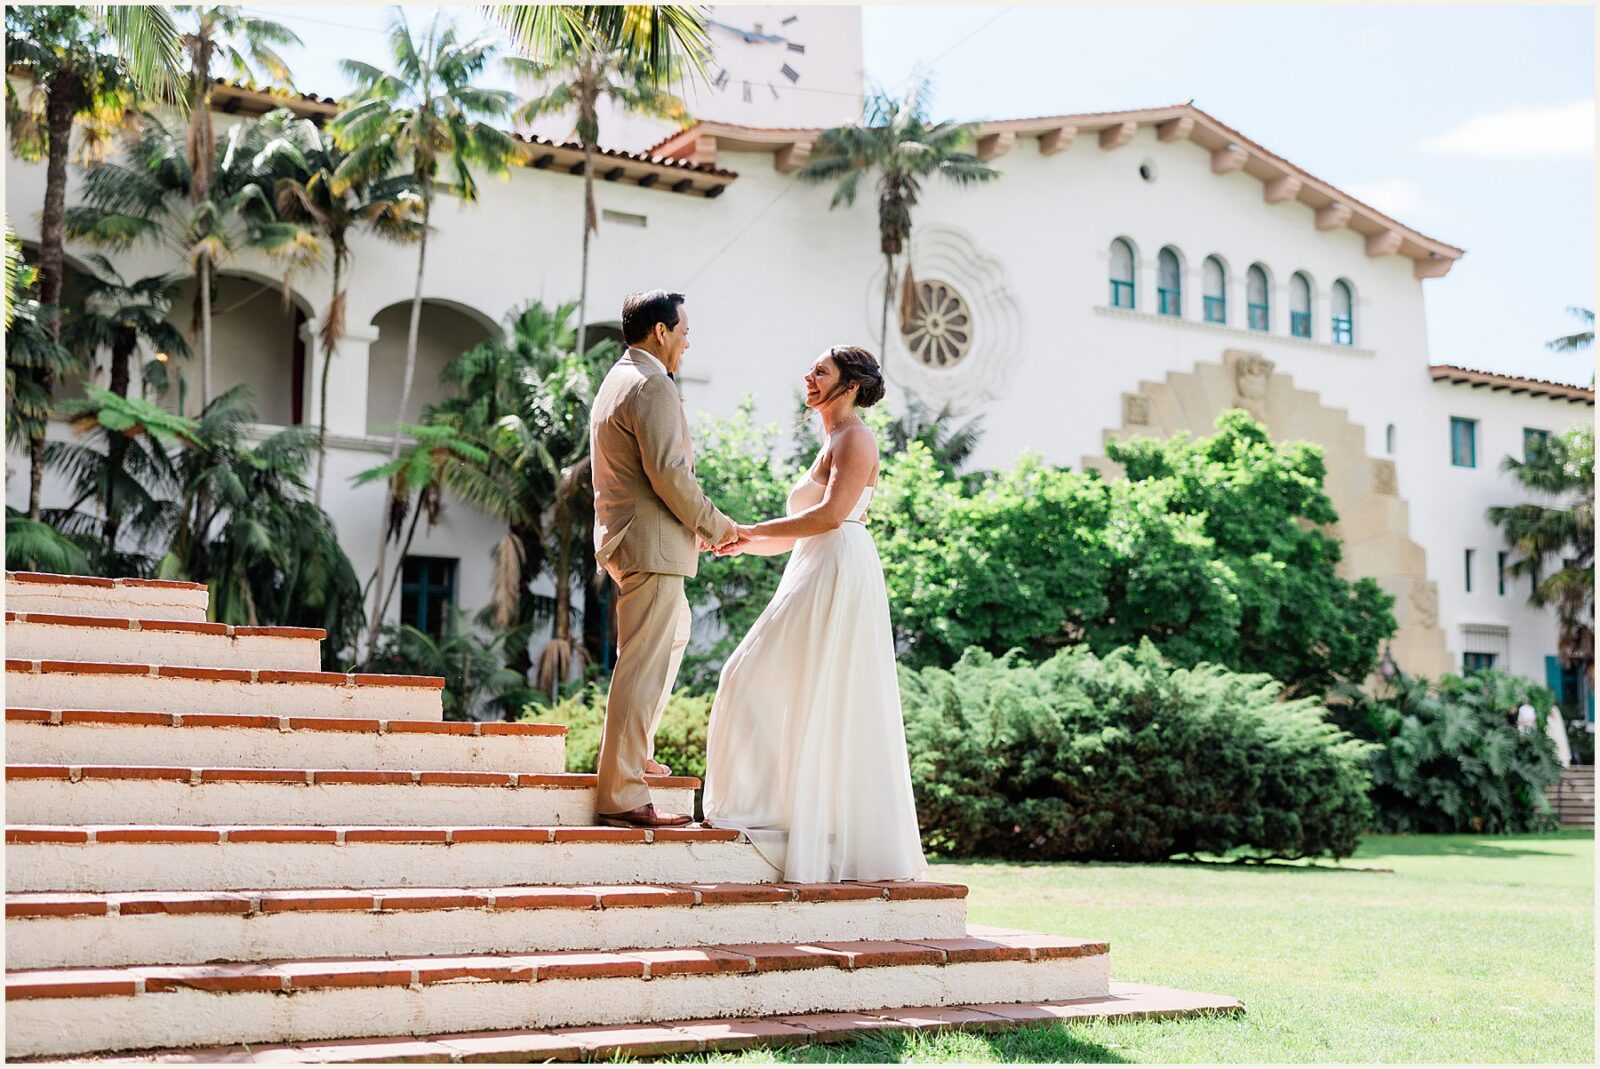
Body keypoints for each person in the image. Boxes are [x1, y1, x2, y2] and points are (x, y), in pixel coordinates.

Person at [701, 345, 927, 882]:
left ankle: (777, 813)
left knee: (747, 674)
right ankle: (787, 811)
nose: (809, 375)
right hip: (813, 564)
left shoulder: (856, 437)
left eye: (820, 371)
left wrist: (749, 529)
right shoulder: (831, 439)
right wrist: (739, 544)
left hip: (837, 570)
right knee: (778, 684)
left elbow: (829, 517)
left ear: (848, 387)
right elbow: (800, 529)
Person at [589, 290, 743, 829]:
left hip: (631, 538)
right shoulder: (653, 383)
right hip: (649, 544)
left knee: (670, 638)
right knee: (642, 661)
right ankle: (624, 792)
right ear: (660, 331)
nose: (686, 341)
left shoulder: (617, 378)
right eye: (682, 331)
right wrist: (716, 526)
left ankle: (636, 755)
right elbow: (669, 473)